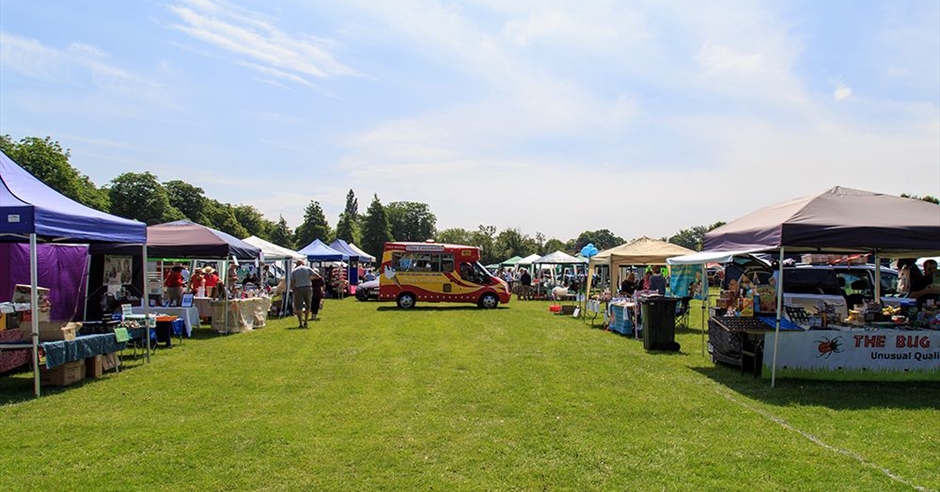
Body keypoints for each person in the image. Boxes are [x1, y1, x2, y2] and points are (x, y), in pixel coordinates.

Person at [290, 259, 316, 327]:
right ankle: (306, 321)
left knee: (299, 306)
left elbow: (292, 282)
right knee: (308, 305)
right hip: (307, 287)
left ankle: (300, 323)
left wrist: (293, 289)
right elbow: (317, 275)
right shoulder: (307, 268)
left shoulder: (294, 271)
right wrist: (309, 279)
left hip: (298, 288)